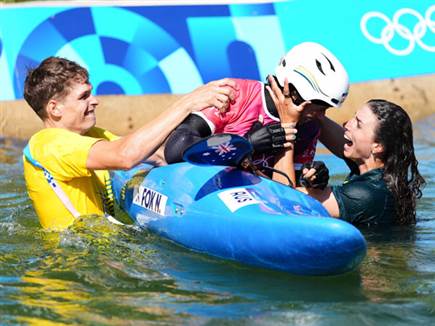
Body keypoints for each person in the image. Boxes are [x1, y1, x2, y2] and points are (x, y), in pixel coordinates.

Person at [23, 56, 238, 230]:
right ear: (54, 109)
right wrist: (187, 103)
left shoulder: (89, 135)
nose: (95, 100)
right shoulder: (49, 144)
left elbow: (157, 154)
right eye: (84, 96)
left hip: (100, 252)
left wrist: (223, 145)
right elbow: (125, 156)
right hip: (72, 268)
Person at [163, 42, 349, 185]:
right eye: (318, 106)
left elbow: (286, 187)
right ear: (293, 91)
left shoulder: (310, 125)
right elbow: (175, 150)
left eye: (326, 108)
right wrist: (245, 145)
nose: (322, 115)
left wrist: (310, 178)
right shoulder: (235, 94)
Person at [268, 76, 425, 226]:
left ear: (377, 146)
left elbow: (283, 202)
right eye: (353, 117)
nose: (346, 124)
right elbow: (321, 123)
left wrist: (286, 125)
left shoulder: (367, 194)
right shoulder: (374, 169)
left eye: (358, 124)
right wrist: (307, 106)